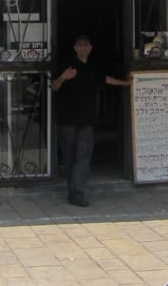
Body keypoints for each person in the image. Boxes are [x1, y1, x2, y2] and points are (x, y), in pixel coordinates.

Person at [51, 34, 130, 207]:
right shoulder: (66, 65)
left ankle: (77, 191)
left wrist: (125, 84)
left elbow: (105, 79)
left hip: (86, 119)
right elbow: (53, 87)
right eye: (80, 45)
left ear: (91, 48)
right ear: (75, 48)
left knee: (84, 155)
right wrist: (64, 77)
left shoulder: (91, 68)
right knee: (70, 155)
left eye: (86, 45)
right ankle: (73, 189)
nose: (83, 48)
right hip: (67, 119)